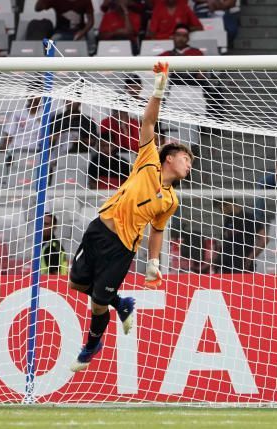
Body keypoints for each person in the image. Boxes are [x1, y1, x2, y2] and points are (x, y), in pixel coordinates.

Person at [69, 62, 194, 372]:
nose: (189, 164)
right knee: (75, 282)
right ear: (169, 158)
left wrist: (153, 263)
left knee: (98, 300)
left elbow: (157, 231)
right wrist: (159, 89)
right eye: (185, 158)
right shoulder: (149, 161)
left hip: (122, 248)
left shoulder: (171, 200)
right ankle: (121, 304)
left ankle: (92, 344)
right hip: (99, 228)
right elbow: (149, 121)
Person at [215, 200, 267, 274]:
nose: (221, 212)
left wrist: (250, 257)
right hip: (226, 264)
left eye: (220, 208)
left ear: (227, 204)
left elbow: (264, 239)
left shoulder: (249, 218)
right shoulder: (228, 219)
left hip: (242, 264)